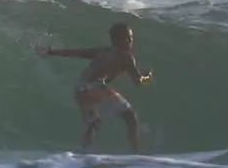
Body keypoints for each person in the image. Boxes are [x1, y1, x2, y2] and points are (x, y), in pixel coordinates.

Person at [34, 22, 153, 153]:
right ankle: (136, 153)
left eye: (131, 38)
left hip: (80, 88)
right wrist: (146, 77)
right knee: (131, 117)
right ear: (119, 40)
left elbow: (76, 52)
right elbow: (137, 81)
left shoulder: (102, 51)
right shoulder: (126, 57)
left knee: (94, 123)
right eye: (128, 38)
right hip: (94, 87)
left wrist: (50, 52)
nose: (131, 41)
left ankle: (84, 152)